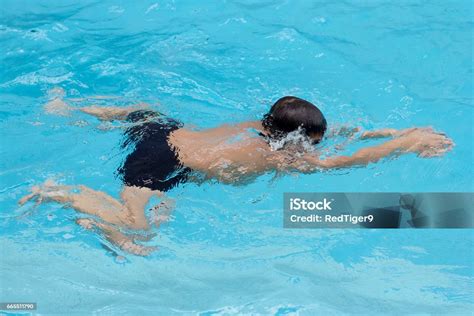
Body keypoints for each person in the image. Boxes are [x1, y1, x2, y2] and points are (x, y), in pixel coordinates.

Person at [19, 95, 453, 255]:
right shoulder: (280, 158)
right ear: (296, 139)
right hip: (158, 164)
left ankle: (70, 107)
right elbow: (342, 161)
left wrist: (391, 130)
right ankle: (60, 194)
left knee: (142, 113)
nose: (317, 147)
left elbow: (336, 136)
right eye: (313, 141)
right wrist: (404, 143)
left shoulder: (262, 128)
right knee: (138, 236)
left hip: (163, 128)